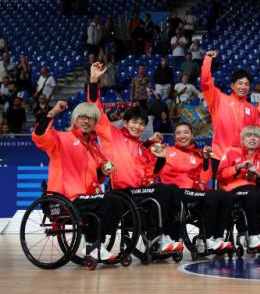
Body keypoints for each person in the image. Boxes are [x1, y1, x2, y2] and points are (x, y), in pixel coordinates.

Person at [88, 64, 183, 254]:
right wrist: (94, 81)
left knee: (173, 190)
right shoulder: (111, 135)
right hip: (122, 193)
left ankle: (170, 237)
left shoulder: (141, 147)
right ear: (125, 122)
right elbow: (95, 110)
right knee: (164, 190)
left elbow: (153, 172)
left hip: (139, 192)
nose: (138, 126)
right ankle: (156, 238)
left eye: (142, 124)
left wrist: (161, 157)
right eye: (134, 122)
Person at [32, 100, 124, 261]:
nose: (86, 121)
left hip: (87, 198)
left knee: (118, 200)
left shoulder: (94, 147)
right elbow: (39, 136)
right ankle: (93, 246)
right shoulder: (61, 139)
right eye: (82, 117)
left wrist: (102, 171)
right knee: (110, 201)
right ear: (74, 119)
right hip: (65, 199)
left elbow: (96, 177)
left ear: (96, 123)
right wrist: (52, 113)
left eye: (91, 119)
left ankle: (94, 244)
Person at [150, 122, 234, 252]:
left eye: (186, 132)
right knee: (211, 196)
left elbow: (204, 180)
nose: (182, 135)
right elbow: (153, 170)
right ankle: (204, 240)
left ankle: (216, 237)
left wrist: (206, 160)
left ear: (192, 135)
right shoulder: (166, 151)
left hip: (193, 193)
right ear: (174, 137)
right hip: (175, 192)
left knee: (225, 196)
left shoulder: (198, 156)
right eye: (178, 133)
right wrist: (155, 148)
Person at [218, 126, 260, 251]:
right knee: (252, 195)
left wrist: (258, 174)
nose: (252, 138)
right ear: (242, 140)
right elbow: (220, 175)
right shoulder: (231, 152)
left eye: (256, 136)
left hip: (254, 190)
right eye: (249, 136)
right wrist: (238, 167)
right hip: (233, 190)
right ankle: (253, 235)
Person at [200, 50, 260, 168]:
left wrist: (252, 156)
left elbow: (258, 134)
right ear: (232, 86)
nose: (243, 87)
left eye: (246, 84)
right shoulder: (218, 99)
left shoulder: (252, 110)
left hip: (243, 160)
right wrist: (208, 59)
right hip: (219, 156)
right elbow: (205, 83)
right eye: (240, 83)